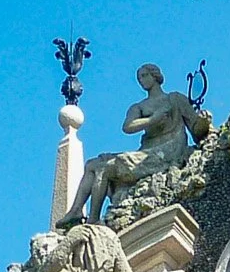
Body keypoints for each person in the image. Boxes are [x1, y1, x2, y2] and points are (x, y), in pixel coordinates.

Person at [66, 65, 214, 224]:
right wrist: (152, 120)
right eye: (139, 78)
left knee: (104, 169)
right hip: (146, 152)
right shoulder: (139, 107)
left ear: (155, 76)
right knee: (92, 164)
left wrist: (204, 121)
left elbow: (196, 128)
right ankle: (76, 210)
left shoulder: (175, 99)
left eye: (145, 76)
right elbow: (128, 127)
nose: (142, 81)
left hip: (168, 151)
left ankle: (93, 219)